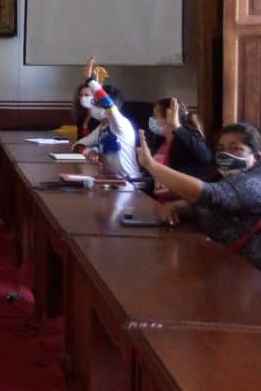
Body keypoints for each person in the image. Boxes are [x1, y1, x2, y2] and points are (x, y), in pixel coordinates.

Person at [137, 123, 261, 269]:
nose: (225, 154)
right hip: (215, 264)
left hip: (247, 272)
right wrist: (175, 206)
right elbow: (207, 206)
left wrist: (151, 165)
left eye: (235, 148)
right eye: (221, 149)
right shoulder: (222, 177)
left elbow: (212, 195)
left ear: (256, 157)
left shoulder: (255, 182)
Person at [72, 56, 140, 179]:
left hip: (130, 182)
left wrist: (90, 80)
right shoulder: (101, 128)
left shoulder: (120, 124)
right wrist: (89, 151)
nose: (93, 106)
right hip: (110, 179)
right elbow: (76, 146)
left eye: (96, 103)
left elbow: (108, 103)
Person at [144, 96, 212, 199]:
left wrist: (176, 126)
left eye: (155, 115)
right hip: (158, 202)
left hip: (178, 203)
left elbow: (205, 156)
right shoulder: (159, 140)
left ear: (168, 117)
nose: (151, 119)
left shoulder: (186, 137)